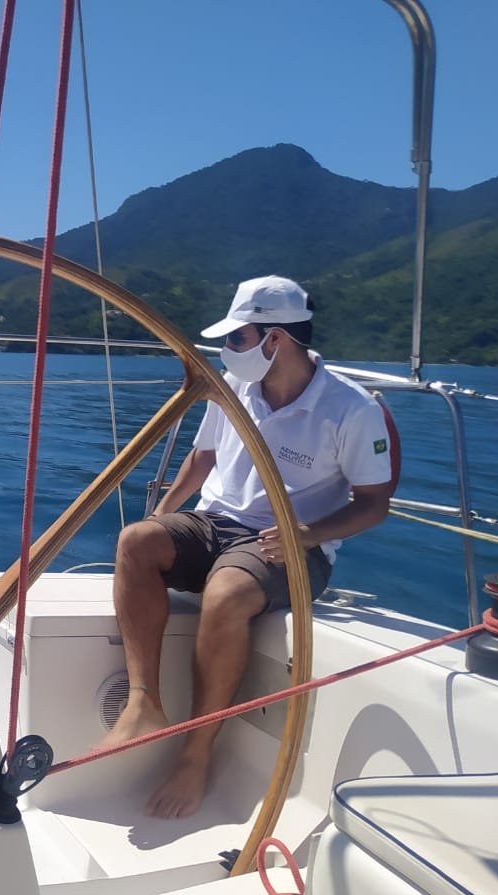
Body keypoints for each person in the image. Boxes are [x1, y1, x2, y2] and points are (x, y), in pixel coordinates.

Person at [99, 275, 394, 818]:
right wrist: (166, 511)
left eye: (237, 338)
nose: (225, 350)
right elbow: (204, 457)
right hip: (216, 522)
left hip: (292, 543)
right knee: (136, 540)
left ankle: (196, 755)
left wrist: (306, 535)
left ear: (275, 339)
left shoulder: (350, 409)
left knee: (227, 592)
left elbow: (374, 502)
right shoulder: (232, 387)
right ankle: (144, 702)